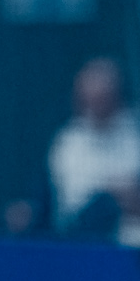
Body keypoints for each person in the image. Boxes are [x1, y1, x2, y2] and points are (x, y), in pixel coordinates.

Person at [8, 56, 140, 241]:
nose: (93, 106)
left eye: (100, 99)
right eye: (87, 99)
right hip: (75, 236)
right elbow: (48, 200)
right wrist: (28, 210)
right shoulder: (67, 141)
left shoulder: (134, 135)